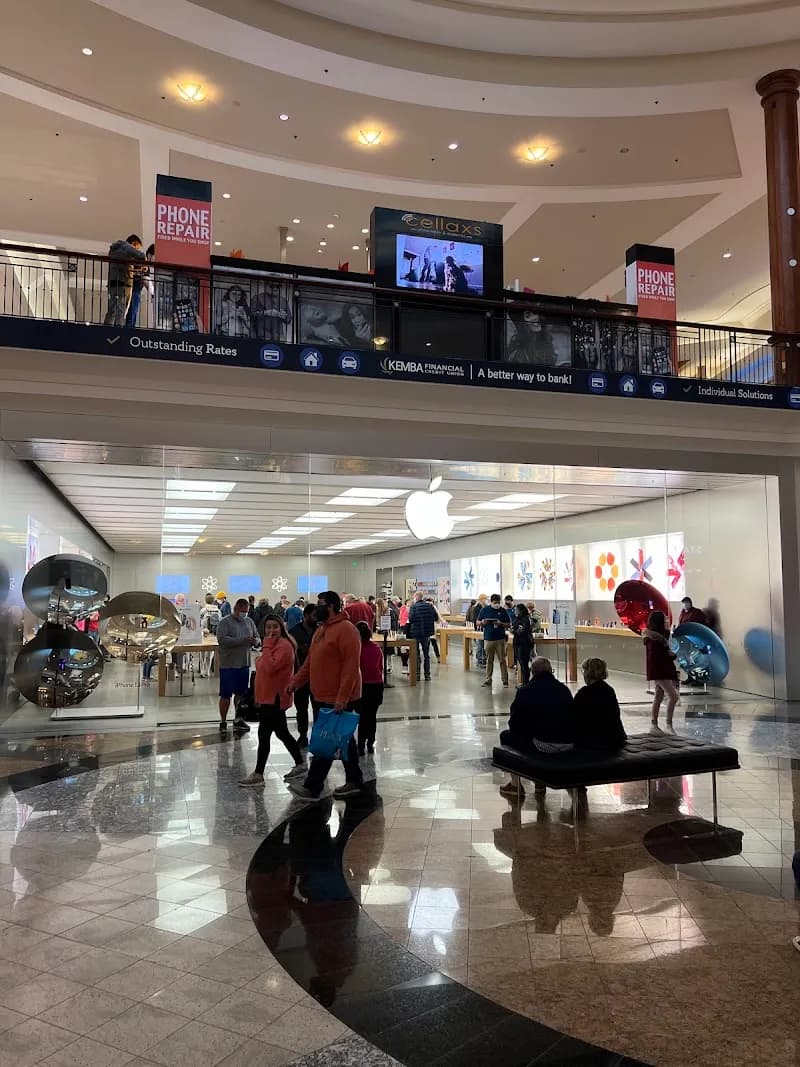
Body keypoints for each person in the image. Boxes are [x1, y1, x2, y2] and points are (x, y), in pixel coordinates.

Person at [287, 591, 363, 802]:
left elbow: (350, 667)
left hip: (337, 697)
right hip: (321, 694)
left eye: (320, 604)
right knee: (343, 740)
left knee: (325, 743)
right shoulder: (321, 630)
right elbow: (311, 662)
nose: (315, 607)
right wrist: (295, 682)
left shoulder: (347, 630)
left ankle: (313, 786)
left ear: (330, 606)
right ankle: (355, 781)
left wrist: (342, 698)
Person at [240, 615, 305, 787]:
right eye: (268, 627)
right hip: (269, 697)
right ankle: (300, 764)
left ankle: (259, 773)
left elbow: (268, 667)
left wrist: (266, 648)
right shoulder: (276, 646)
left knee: (265, 734)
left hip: (275, 698)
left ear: (281, 627)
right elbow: (264, 666)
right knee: (281, 733)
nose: (271, 631)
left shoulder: (283, 646)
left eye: (275, 627)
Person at [499, 657, 576, 799]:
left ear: (532, 672)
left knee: (506, 736)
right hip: (568, 743)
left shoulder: (525, 691)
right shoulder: (563, 690)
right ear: (550, 671)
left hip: (542, 744)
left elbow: (515, 724)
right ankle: (540, 782)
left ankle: (516, 785)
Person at [215, 597, 259, 735]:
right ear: (235, 609)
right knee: (225, 695)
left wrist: (255, 641)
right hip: (228, 665)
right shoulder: (225, 622)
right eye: (242, 611)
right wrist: (242, 640)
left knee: (240, 694)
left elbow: (257, 637)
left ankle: (238, 718)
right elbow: (222, 640)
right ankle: (223, 721)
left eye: (246, 611)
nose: (244, 613)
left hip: (244, 664)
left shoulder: (249, 621)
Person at [573, 658, 627, 749]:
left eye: (583, 671)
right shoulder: (609, 690)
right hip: (615, 739)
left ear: (588, 672)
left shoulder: (584, 693)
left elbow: (574, 716)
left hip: (595, 741)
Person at [643, 610, 679, 734]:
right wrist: (670, 655)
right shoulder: (653, 639)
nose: (666, 622)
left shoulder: (659, 636)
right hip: (660, 671)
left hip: (663, 669)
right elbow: (657, 657)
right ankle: (668, 725)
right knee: (673, 696)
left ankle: (654, 724)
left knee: (659, 695)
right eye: (664, 620)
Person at [290, 603, 318, 748]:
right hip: (301, 675)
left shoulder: (320, 630)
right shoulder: (293, 632)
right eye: (313, 615)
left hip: (317, 675)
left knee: (317, 707)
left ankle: (317, 736)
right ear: (305, 615)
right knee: (301, 708)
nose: (316, 618)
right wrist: (300, 650)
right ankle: (302, 735)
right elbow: (290, 654)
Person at [104, 234, 147, 326]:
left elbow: (123, 266)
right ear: (133, 244)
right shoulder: (127, 247)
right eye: (137, 248)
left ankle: (107, 328)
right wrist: (142, 264)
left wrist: (136, 268)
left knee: (112, 308)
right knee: (121, 309)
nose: (137, 250)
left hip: (113, 281)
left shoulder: (115, 249)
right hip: (123, 283)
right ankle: (119, 331)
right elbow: (142, 256)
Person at [355, 621, 383, 755]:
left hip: (362, 686)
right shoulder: (376, 648)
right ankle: (370, 742)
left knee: (362, 717)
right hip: (376, 685)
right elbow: (380, 667)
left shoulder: (356, 649)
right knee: (372, 716)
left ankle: (360, 744)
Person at [478, 593, 511, 688]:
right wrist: (482, 622)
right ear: (491, 602)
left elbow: (509, 624)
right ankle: (488, 679)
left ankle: (505, 681)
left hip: (500, 639)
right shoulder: (485, 610)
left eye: (498, 602)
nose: (497, 604)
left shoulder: (503, 611)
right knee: (489, 660)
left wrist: (501, 624)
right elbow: (478, 621)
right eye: (495, 602)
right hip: (488, 638)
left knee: (502, 660)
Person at [408, 592, 436, 682]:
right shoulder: (429, 606)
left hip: (416, 633)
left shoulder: (413, 607)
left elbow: (411, 619)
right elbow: (435, 617)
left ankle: (417, 675)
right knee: (426, 654)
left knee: (416, 654)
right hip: (426, 633)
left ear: (416, 597)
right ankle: (427, 675)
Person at [125, 243, 154, 328]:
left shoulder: (144, 263)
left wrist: (152, 291)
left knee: (132, 314)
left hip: (134, 290)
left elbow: (146, 279)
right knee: (131, 315)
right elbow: (145, 279)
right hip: (133, 290)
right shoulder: (142, 261)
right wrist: (152, 292)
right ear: (150, 255)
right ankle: (128, 333)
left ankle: (129, 330)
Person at [511, 603, 534, 686]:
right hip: (517, 642)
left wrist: (514, 631)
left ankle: (526, 683)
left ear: (521, 611)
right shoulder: (517, 618)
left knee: (524, 664)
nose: (515, 612)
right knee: (521, 663)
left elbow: (523, 631)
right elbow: (515, 627)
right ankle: (524, 682)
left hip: (524, 643)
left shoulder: (526, 619)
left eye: (517, 610)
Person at [199, 593, 220, 678]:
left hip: (203, 632)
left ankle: (202, 670)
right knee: (210, 654)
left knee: (202, 652)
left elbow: (199, 621)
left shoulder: (203, 610)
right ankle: (206, 671)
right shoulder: (218, 610)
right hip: (213, 633)